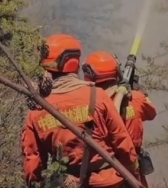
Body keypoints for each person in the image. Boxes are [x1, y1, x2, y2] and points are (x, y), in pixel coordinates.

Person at [21, 33, 139, 187]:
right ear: (75, 63)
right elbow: (122, 141)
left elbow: (33, 162)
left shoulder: (37, 109)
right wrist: (133, 174)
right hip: (108, 182)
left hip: (67, 183)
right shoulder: (98, 96)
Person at [82, 51, 157, 187]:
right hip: (132, 170)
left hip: (102, 173)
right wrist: (136, 89)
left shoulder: (88, 105)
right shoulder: (136, 98)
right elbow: (151, 112)